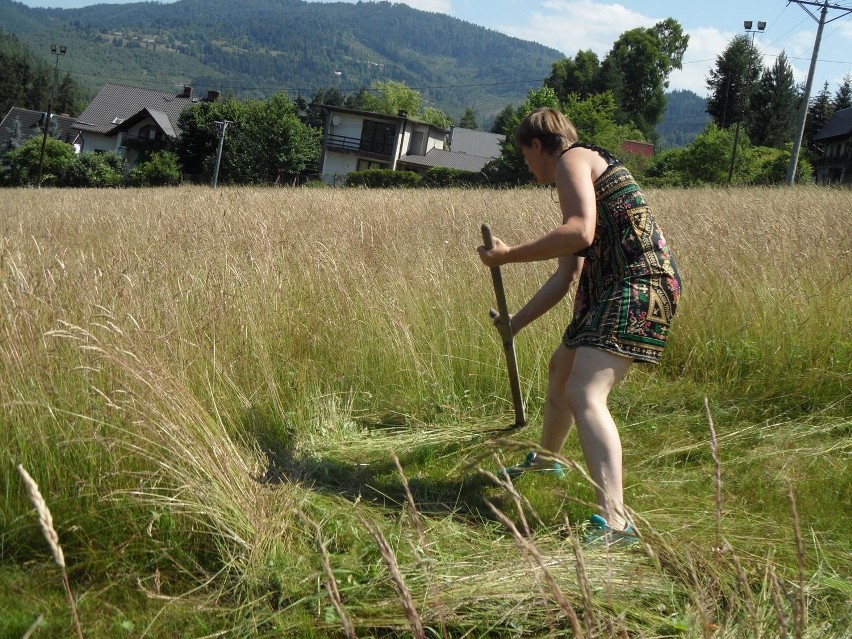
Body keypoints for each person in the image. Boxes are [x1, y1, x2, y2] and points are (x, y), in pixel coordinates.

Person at [477, 107, 681, 543]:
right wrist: (517, 322)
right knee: (562, 369)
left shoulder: (574, 159)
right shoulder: (579, 178)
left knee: (584, 391)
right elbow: (566, 274)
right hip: (612, 285)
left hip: (640, 283)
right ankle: (548, 459)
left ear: (538, 145)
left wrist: (507, 255)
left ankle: (616, 522)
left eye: (525, 156)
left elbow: (579, 234)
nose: (527, 167)